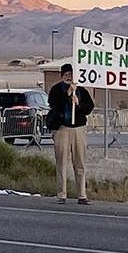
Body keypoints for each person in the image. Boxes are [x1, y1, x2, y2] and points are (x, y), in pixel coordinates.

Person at [47, 63, 95, 204]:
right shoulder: (56, 89)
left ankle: (82, 195)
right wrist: (67, 94)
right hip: (62, 128)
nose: (68, 77)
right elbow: (54, 104)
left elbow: (89, 107)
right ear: (62, 76)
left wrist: (78, 104)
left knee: (79, 161)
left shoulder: (81, 90)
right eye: (66, 75)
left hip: (78, 128)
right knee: (61, 161)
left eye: (71, 74)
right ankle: (61, 194)